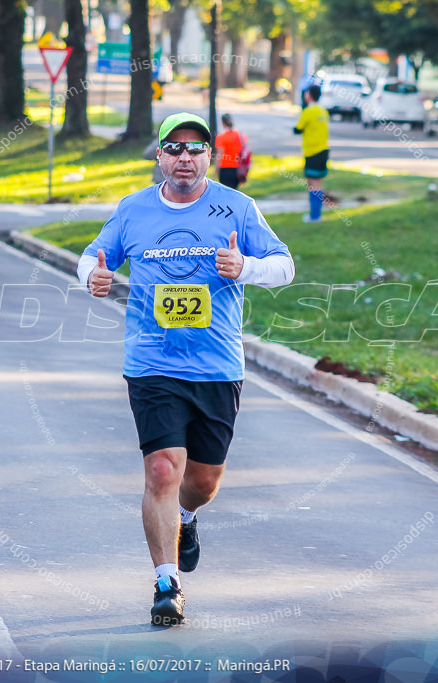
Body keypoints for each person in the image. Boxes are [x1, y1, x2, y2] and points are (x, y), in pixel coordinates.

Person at [78, 112, 294, 626]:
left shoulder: (237, 207)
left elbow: (285, 266)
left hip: (218, 365)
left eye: (195, 149)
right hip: (152, 361)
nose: (184, 157)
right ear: (159, 156)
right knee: (162, 469)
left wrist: (248, 268)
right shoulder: (133, 210)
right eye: (174, 147)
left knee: (202, 481)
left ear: (209, 158)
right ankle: (166, 584)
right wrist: (95, 277)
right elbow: (92, 256)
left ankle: (187, 517)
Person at [294, 84, 329, 223]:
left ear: (308, 95)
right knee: (318, 184)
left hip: (312, 152)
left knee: (312, 184)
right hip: (323, 151)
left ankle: (314, 216)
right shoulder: (323, 111)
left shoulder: (308, 111)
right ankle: (316, 214)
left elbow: (298, 128)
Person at [214, 113, 246, 190]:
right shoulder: (241, 135)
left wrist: (215, 173)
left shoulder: (221, 137)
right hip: (237, 168)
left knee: (225, 193)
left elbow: (219, 156)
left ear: (223, 123)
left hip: (225, 169)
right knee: (234, 192)